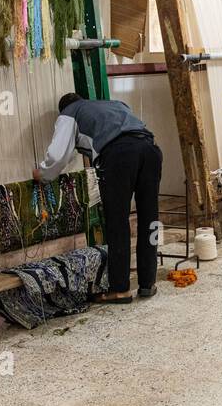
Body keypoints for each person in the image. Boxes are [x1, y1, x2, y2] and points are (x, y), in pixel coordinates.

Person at [35, 94, 161, 304]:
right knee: (150, 220)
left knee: (117, 223)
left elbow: (58, 156)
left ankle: (120, 289)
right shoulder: (114, 104)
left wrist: (43, 173)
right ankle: (148, 283)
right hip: (150, 149)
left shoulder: (70, 112)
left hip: (120, 156)